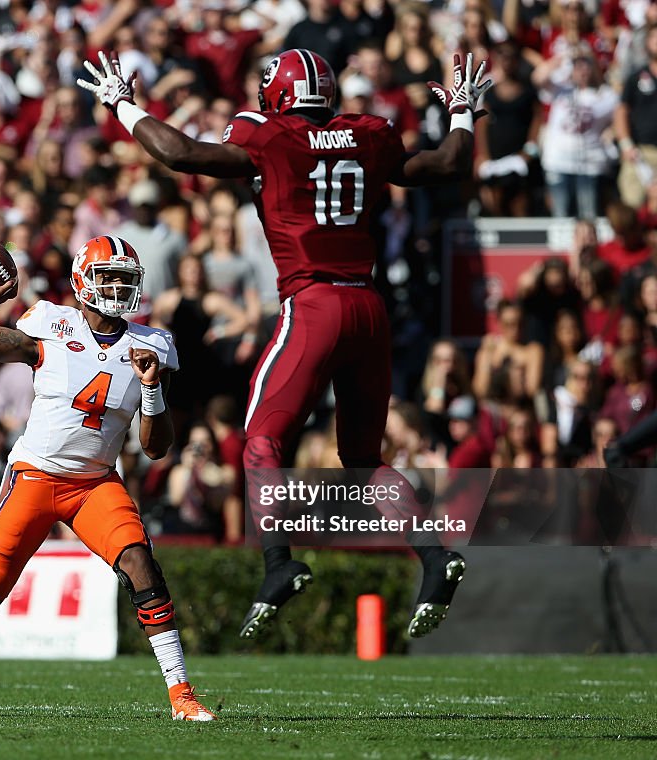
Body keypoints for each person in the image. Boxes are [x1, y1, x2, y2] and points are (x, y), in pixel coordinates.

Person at [78, 48, 492, 639]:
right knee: (363, 458)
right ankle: (432, 554)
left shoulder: (266, 135)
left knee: (262, 437)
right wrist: (461, 111)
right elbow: (447, 164)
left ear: (278, 93)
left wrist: (122, 104)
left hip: (315, 301)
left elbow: (179, 153)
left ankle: (278, 561)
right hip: (370, 309)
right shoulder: (368, 133)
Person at [0, 236, 215, 722]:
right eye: (109, 277)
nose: (119, 288)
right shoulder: (52, 324)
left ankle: (180, 693)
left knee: (142, 566)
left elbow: (157, 447)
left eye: (126, 278)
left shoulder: (152, 345)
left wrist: (152, 388)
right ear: (82, 281)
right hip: (35, 477)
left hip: (95, 484)